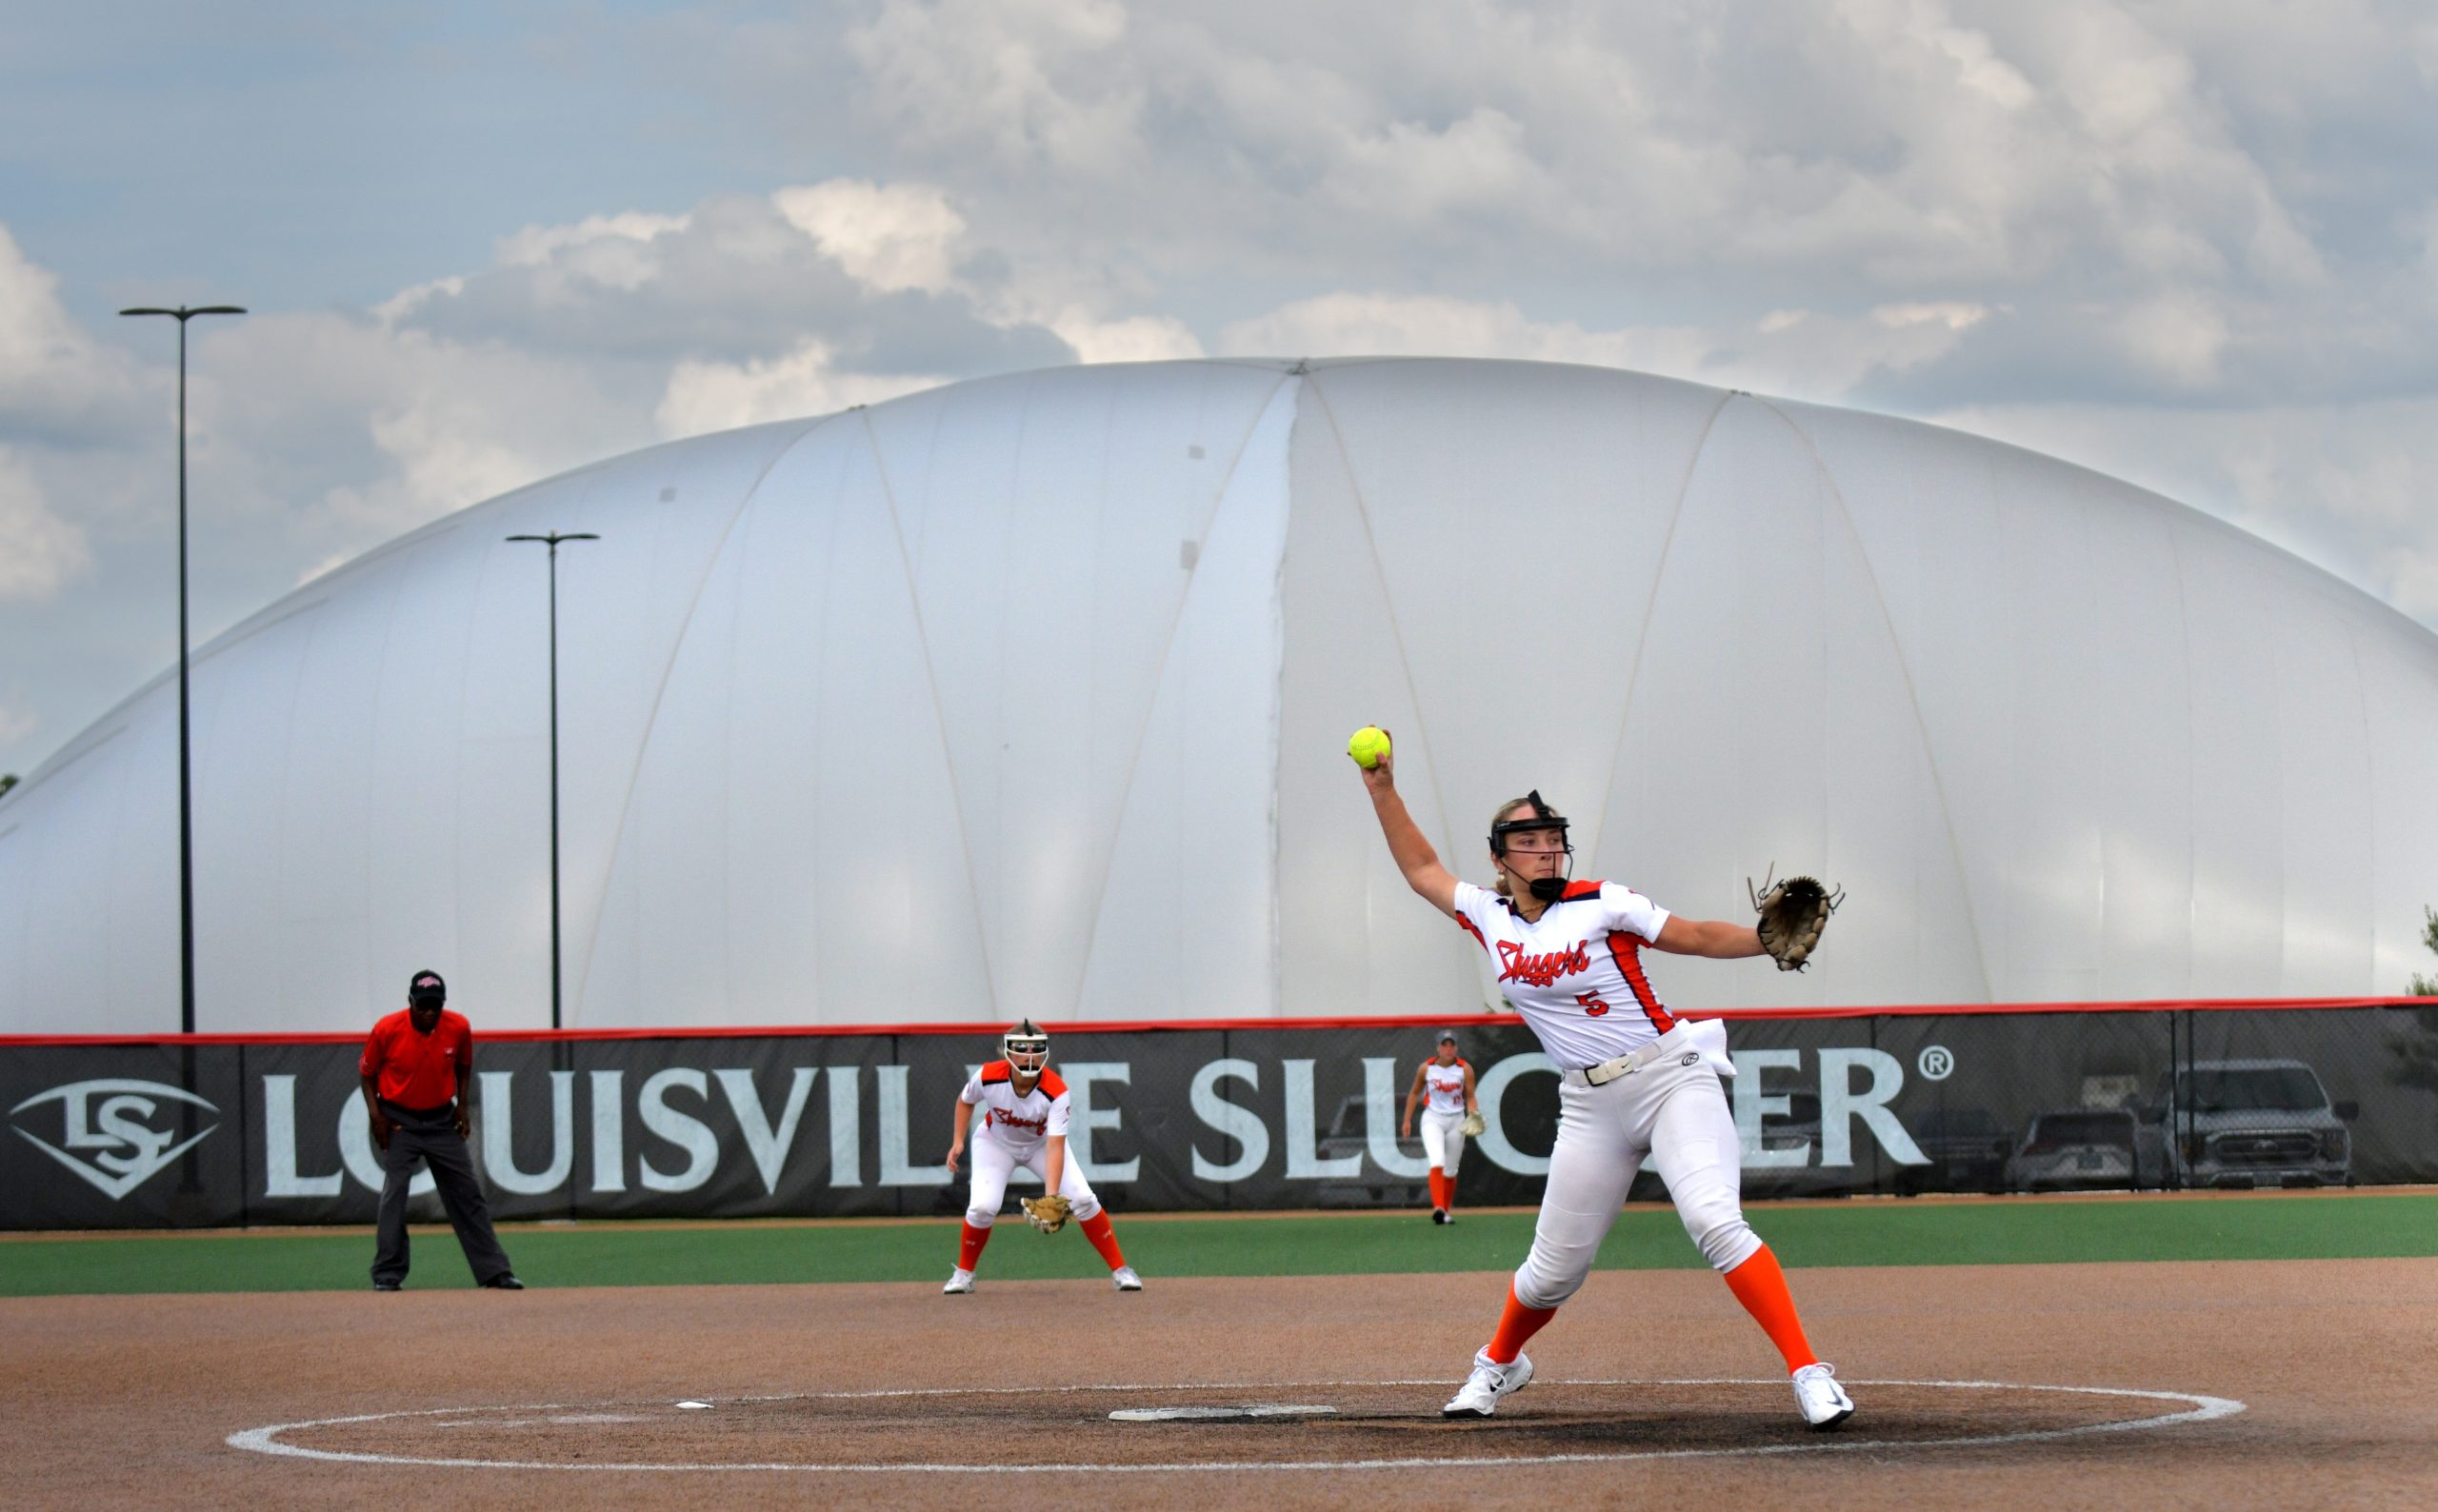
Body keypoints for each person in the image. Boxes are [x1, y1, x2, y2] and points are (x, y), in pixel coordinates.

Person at [1357, 754, 1853, 1430]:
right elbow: (1421, 870)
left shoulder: (1602, 900)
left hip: (1671, 1077)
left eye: (1551, 837)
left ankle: (1809, 1372)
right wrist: (1382, 786)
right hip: (1588, 1105)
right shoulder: (1488, 914)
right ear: (1499, 856)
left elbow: (1697, 936)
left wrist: (1764, 943)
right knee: (1549, 1274)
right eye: (1526, 840)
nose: (1544, 849)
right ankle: (1499, 1362)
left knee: (1713, 1221)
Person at [941, 1019, 1141, 1295]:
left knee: (1083, 1199)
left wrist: (1051, 1196)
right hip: (995, 1142)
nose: (1030, 1055)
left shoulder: (1056, 1091)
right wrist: (957, 1141)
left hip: (1040, 1144)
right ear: (1007, 1052)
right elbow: (965, 1100)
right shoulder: (988, 1075)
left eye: (1035, 1048)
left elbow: (1055, 1145)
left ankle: (1121, 1270)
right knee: (983, 1207)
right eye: (1022, 1048)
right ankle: (964, 1274)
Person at [360, 970, 522, 1292]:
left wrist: (462, 1105)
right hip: (399, 1120)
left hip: (440, 1119)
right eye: (423, 1006)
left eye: (435, 1005)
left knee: (468, 1193)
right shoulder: (387, 1029)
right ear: (410, 1003)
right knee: (395, 1193)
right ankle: (387, 1274)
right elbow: (367, 1073)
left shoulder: (458, 1027)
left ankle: (495, 1272)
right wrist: (376, 1114)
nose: (430, 1012)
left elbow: (463, 1066)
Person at [1401, 1032, 1478, 1224]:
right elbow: (1414, 1093)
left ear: (1456, 1048)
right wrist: (1407, 1120)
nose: (1448, 1049)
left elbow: (1470, 1096)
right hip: (1433, 1118)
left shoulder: (1464, 1069)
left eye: (1452, 1045)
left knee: (1451, 1170)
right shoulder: (1426, 1068)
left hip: (1457, 1119)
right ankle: (1438, 1208)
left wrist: (1473, 1115)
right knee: (1437, 1161)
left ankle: (1444, 1211)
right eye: (1444, 1045)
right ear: (1438, 1047)